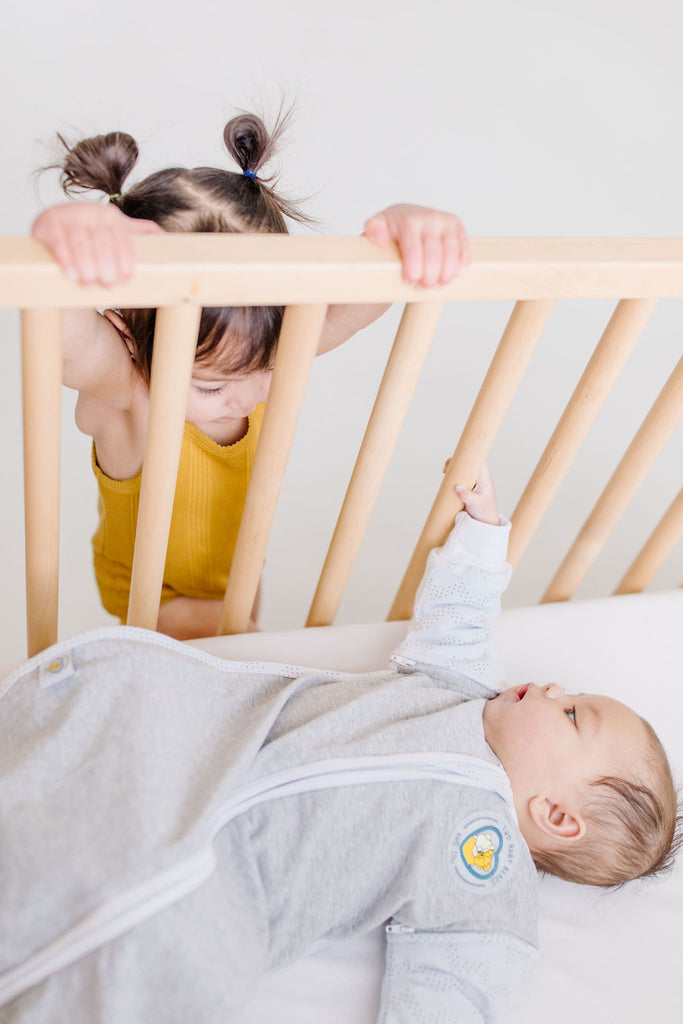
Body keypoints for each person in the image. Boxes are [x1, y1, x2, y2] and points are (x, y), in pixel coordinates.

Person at [0, 467, 679, 1022]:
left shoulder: (488, 879)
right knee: (74, 791)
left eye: (571, 716)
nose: (555, 688)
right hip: (198, 765)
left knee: (163, 972)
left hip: (239, 898)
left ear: (556, 817)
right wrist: (481, 530)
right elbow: (461, 614)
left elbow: (458, 985)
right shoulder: (458, 687)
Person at [31, 112, 470, 640]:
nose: (252, 394)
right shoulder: (126, 389)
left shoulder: (265, 353)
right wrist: (58, 249)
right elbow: (58, 333)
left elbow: (362, 298)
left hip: (237, 572)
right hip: (155, 592)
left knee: (241, 628)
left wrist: (401, 231)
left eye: (267, 365)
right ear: (128, 340)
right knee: (234, 655)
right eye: (211, 386)